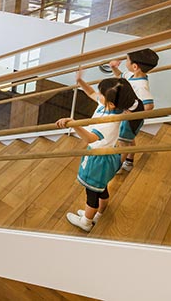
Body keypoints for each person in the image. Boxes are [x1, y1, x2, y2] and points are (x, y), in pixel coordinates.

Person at [58, 76, 138, 232]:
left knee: (92, 192)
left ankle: (86, 221)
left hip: (98, 160)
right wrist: (80, 81)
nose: (98, 95)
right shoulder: (108, 106)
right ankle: (99, 213)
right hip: (107, 156)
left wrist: (73, 124)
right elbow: (91, 93)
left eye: (101, 94)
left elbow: (89, 137)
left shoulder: (108, 122)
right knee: (102, 187)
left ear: (111, 103)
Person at [109, 48, 158, 172]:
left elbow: (149, 106)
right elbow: (120, 76)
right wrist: (114, 67)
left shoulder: (141, 85)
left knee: (123, 143)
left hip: (130, 121)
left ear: (135, 66)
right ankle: (129, 162)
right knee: (129, 139)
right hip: (130, 120)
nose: (125, 62)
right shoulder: (132, 75)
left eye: (127, 60)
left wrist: (132, 114)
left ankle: (117, 166)